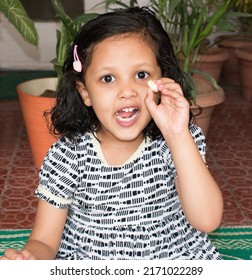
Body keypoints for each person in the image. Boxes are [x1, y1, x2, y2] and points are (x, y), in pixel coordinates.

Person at [1, 6, 223, 260]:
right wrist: (30, 258)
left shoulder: (181, 140)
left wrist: (177, 136)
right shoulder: (68, 155)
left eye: (141, 75)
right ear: (85, 92)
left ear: (162, 81)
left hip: (173, 262)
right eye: (108, 78)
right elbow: (43, 241)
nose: (126, 91)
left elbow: (207, 221)